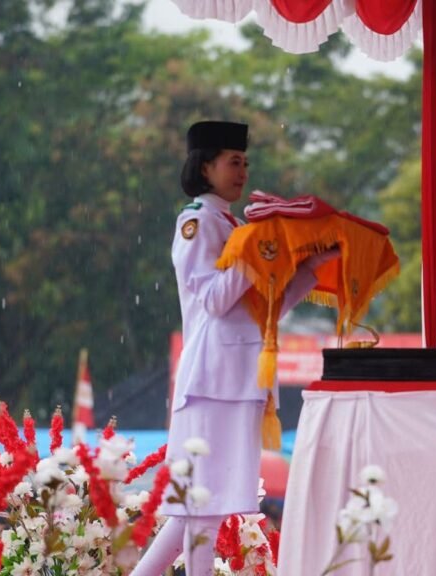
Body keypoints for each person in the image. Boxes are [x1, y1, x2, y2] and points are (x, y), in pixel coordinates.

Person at [132, 121, 336, 576]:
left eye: (245, 162)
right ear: (205, 167)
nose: (242, 171)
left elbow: (267, 308)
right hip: (212, 377)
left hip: (240, 375)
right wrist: (258, 250)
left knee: (200, 502)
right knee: (204, 500)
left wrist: (310, 268)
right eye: (233, 161)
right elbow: (214, 299)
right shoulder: (196, 220)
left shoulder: (236, 225)